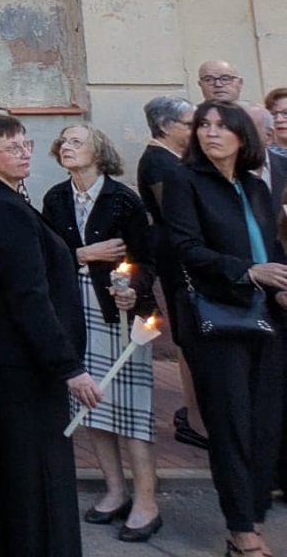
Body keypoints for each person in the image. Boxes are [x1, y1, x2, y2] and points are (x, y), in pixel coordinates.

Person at [0, 113, 101, 557]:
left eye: (25, 143)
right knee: (35, 475)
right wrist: (68, 367)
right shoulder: (0, 207)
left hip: (8, 362)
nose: (24, 153)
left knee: (12, 473)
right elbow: (27, 296)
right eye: (11, 147)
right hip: (23, 365)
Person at [164, 101, 287, 556]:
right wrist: (251, 271)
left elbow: (272, 246)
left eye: (222, 126)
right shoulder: (184, 181)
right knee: (231, 422)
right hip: (215, 316)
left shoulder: (254, 187)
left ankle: (252, 512)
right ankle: (241, 530)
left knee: (266, 423)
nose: (211, 133)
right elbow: (185, 248)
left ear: (243, 136)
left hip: (267, 315)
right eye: (203, 126)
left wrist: (279, 284)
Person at [42, 123, 161, 541]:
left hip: (119, 315)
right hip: (74, 312)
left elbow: (146, 260)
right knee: (91, 402)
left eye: (77, 141)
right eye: (64, 142)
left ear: (100, 151)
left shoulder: (122, 199)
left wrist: (135, 294)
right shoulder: (55, 198)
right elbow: (48, 254)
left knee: (130, 409)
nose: (67, 147)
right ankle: (114, 491)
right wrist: (83, 253)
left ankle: (146, 501)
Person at [137, 92, 208, 450]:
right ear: (166, 127)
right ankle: (196, 424)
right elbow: (176, 216)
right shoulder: (159, 162)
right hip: (180, 267)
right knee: (192, 341)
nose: (198, 129)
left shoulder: (174, 159)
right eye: (190, 123)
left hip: (182, 262)